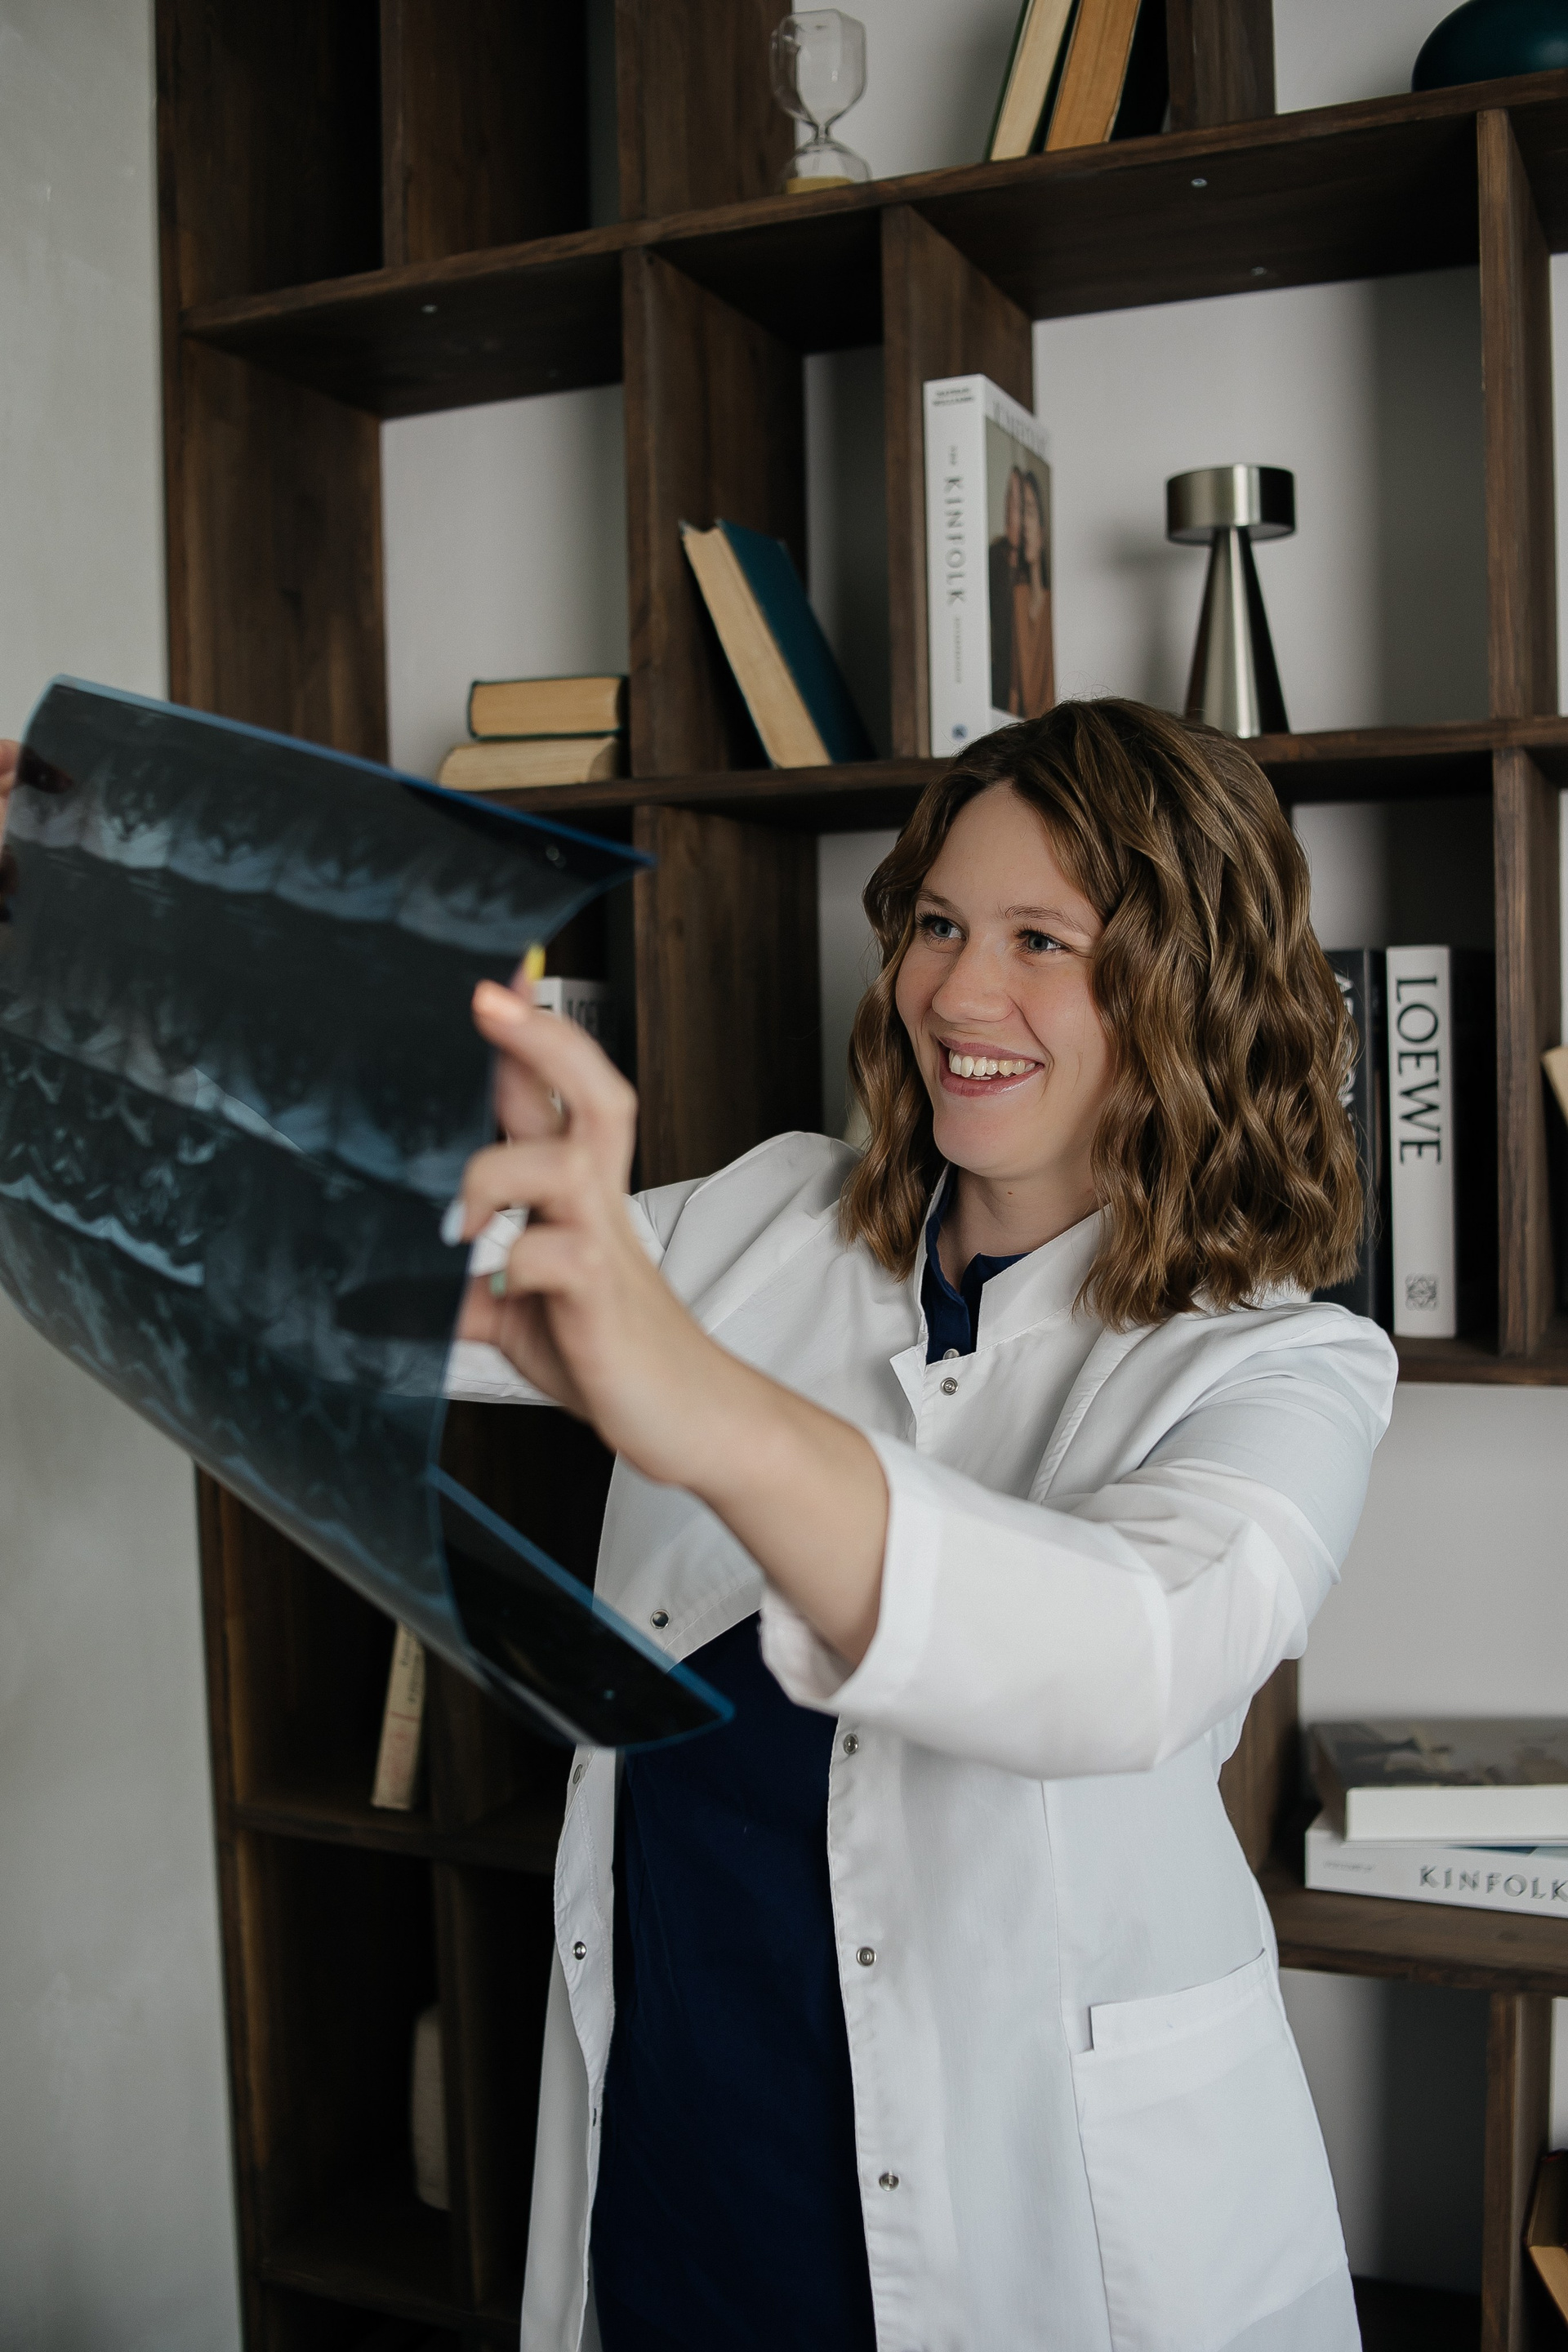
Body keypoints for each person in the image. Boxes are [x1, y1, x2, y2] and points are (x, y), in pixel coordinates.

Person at [445, 699, 1396, 2352]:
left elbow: (1134, 1654)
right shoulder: (767, 1219)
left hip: (1048, 2258)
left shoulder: (1285, 1366)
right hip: (685, 2192)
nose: (959, 994)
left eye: (1044, 941)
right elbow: (327, 1271)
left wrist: (697, 1401)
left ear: (1191, 984)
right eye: (941, 925)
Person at [1009, 466, 1054, 719]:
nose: (1025, 524)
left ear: (1043, 528)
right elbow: (1014, 689)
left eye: (1030, 512)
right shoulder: (1017, 597)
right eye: (1021, 513)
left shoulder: (1054, 606)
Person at [987, 464, 1023, 711]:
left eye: (1018, 504)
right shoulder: (993, 556)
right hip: (993, 671)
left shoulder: (1032, 570)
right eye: (1008, 499)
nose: (1010, 510)